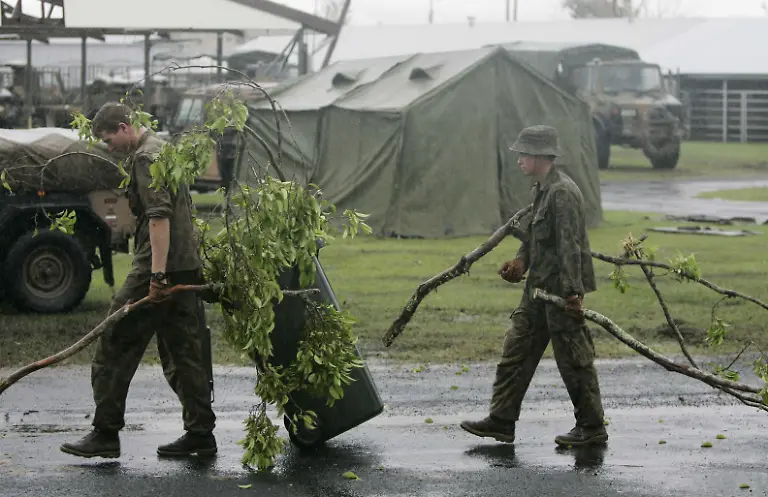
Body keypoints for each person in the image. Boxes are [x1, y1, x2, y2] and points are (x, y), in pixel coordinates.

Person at [60, 102, 217, 459]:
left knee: (115, 340)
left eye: (109, 139)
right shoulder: (162, 147)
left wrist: (157, 276)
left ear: (124, 127)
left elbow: (160, 217)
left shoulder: (146, 157)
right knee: (184, 350)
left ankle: (105, 432)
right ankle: (201, 433)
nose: (110, 147)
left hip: (157, 268)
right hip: (183, 264)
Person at [460, 125, 608, 447]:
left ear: (541, 156)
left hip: (559, 293)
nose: (519, 160)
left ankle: (592, 427)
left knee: (574, 361)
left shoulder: (563, 193)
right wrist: (520, 262)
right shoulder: (540, 190)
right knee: (515, 352)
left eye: (524, 154)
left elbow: (569, 247)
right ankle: (501, 420)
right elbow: (533, 238)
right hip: (536, 291)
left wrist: (573, 293)